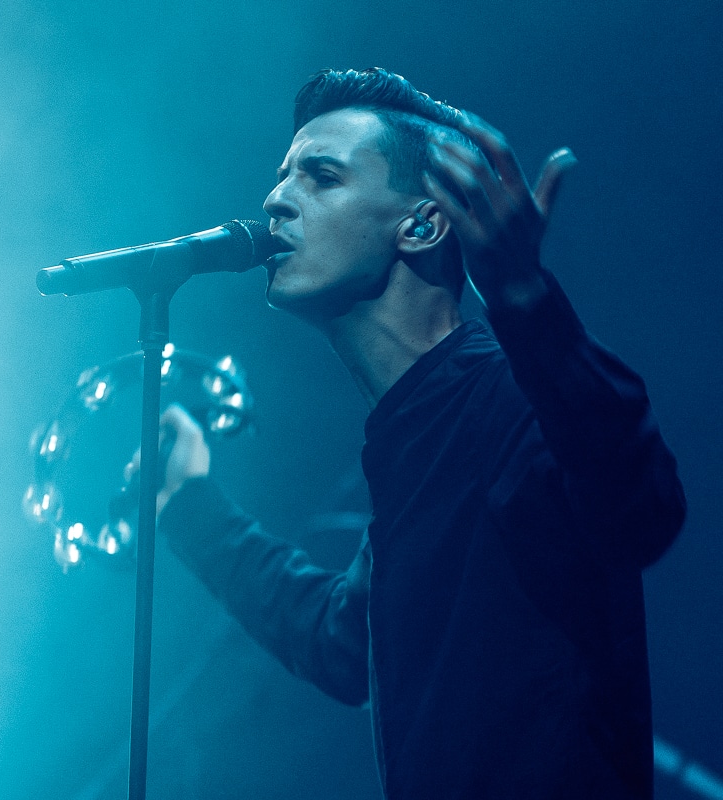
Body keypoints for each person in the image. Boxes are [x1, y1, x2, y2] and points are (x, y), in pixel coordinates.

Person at [152, 68, 686, 799]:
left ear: (422, 225)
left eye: (321, 176)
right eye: (282, 177)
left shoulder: (509, 399)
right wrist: (190, 506)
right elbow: (341, 642)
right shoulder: (415, 440)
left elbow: (641, 507)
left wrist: (524, 296)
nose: (275, 199)